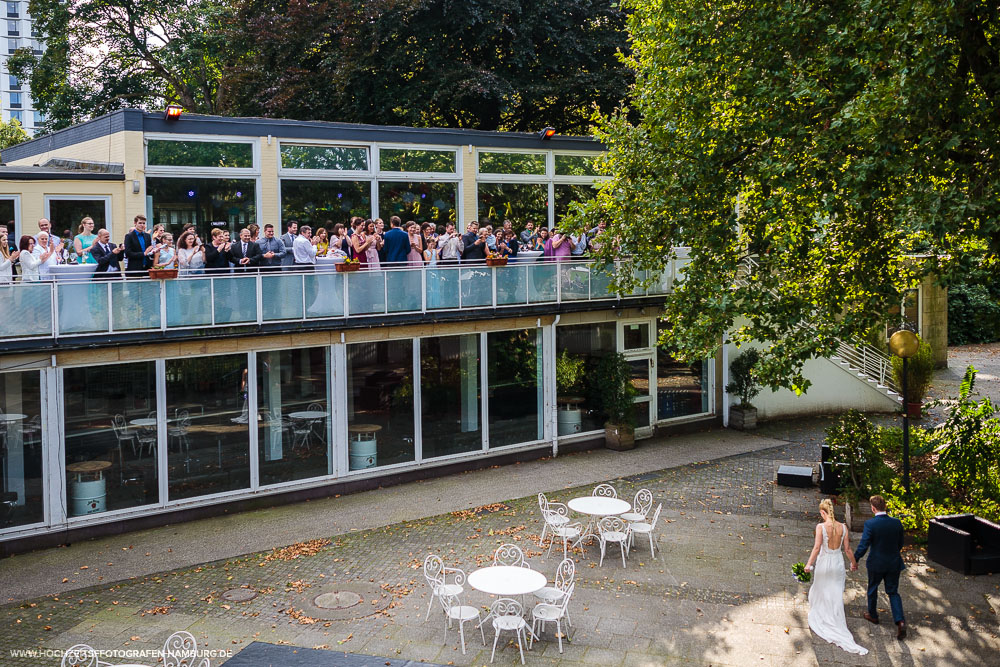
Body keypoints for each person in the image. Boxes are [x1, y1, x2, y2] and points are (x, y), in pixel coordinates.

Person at [803, 499, 868, 655]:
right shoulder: (843, 527)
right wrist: (853, 563)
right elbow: (847, 549)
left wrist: (809, 564)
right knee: (835, 591)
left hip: (825, 562)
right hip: (837, 562)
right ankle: (834, 616)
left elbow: (817, 547)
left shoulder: (821, 527)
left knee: (820, 588)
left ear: (823, 512)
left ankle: (822, 614)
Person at [854, 494, 906, 640]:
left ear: (873, 508)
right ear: (885, 507)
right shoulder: (897, 523)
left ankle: (873, 615)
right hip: (894, 563)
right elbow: (900, 543)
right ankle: (900, 621)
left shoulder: (870, 524)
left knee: (872, 589)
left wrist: (855, 559)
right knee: (893, 592)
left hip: (876, 563)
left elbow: (864, 545)